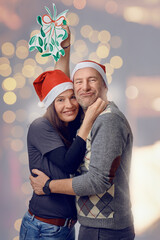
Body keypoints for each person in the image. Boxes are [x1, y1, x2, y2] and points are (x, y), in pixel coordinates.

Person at [30, 26, 135, 240]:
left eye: (92, 80)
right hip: (96, 225)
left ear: (105, 85)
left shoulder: (108, 120)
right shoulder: (87, 116)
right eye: (79, 82)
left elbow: (97, 181)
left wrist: (48, 186)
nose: (84, 87)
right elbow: (61, 90)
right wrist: (65, 48)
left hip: (105, 229)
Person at [19, 66, 106, 240]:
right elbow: (69, 163)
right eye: (60, 100)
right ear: (51, 103)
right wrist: (88, 121)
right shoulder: (40, 126)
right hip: (43, 227)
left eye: (72, 97)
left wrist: (65, 48)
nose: (69, 105)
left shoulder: (68, 125)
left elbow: (62, 76)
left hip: (66, 227)